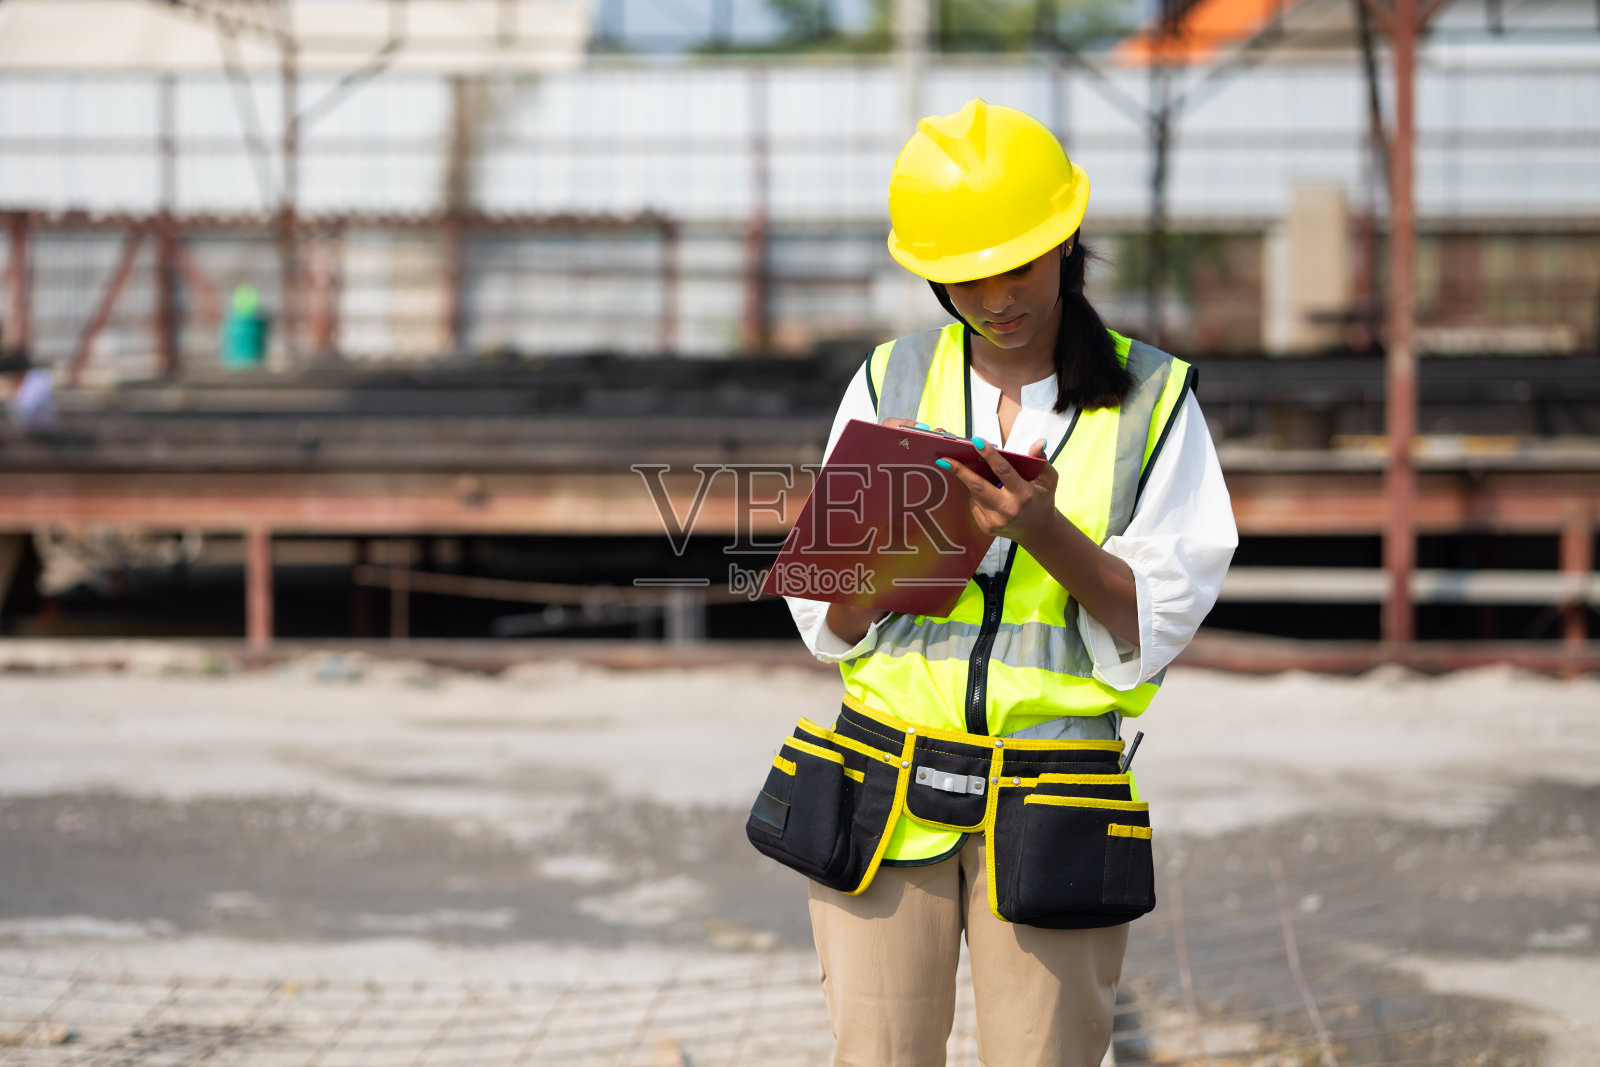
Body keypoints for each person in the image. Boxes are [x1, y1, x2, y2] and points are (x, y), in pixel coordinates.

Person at [765, 98, 1237, 1066]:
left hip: (1052, 792)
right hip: (883, 788)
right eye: (962, 276)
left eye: (1013, 265)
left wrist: (1043, 529)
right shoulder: (889, 381)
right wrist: (887, 557)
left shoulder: (1153, 404)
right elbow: (830, 617)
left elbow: (1157, 616)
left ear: (1066, 241)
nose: (991, 297)